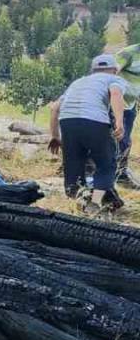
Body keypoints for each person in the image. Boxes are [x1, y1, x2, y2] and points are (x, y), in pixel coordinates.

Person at [48, 53, 128, 213]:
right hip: (94, 120)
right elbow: (116, 94)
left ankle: (78, 200)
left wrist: (55, 136)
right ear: (114, 70)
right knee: (107, 163)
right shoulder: (114, 80)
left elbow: (55, 107)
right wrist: (119, 122)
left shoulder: (78, 82)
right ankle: (95, 203)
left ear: (93, 70)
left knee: (73, 163)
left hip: (67, 121)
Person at [112, 43, 140, 187]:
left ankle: (121, 175)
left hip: (130, 105)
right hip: (116, 103)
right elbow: (110, 72)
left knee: (125, 141)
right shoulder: (128, 53)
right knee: (117, 138)